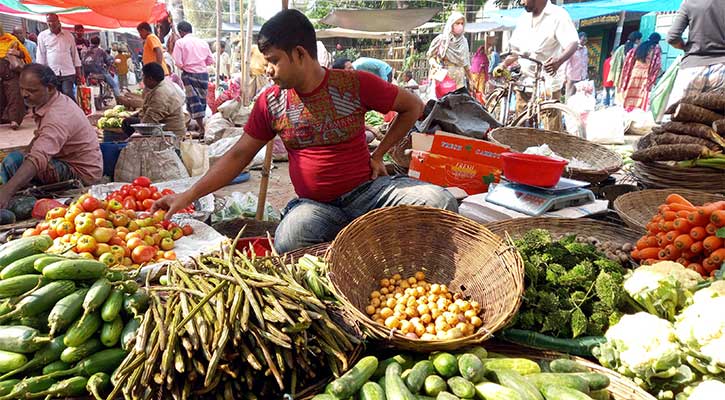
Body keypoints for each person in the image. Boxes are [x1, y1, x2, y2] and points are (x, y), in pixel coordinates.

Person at [151, 9, 457, 254]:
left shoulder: (354, 84)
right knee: (290, 237)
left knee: (439, 200)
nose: (268, 70)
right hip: (316, 208)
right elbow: (238, 155)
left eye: (273, 61)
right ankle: (355, 247)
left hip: (369, 195)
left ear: (299, 54)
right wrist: (188, 195)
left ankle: (380, 249)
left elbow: (413, 106)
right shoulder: (270, 102)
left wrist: (380, 153)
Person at [0, 64, 102, 208]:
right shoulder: (52, 101)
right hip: (66, 161)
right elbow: (38, 141)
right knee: (18, 161)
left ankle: (12, 199)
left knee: (14, 162)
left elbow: (38, 157)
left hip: (81, 174)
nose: (24, 94)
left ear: (50, 88)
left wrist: (7, 191)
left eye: (31, 90)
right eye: (22, 89)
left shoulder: (57, 115)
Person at [503, 0, 579, 132]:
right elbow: (516, 52)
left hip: (547, 84)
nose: (521, 2)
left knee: (551, 129)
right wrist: (503, 64)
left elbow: (572, 43)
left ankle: (551, 151)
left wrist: (559, 61)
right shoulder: (524, 18)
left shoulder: (558, 15)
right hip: (525, 81)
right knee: (520, 126)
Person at [666, 0, 725, 109]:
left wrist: (684, 47)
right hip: (722, 69)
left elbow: (672, 37)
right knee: (718, 120)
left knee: (676, 119)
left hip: (692, 67)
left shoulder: (690, 2)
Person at [121, 63, 186, 138]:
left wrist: (133, 136)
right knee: (131, 120)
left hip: (170, 131)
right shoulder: (162, 84)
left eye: (144, 77)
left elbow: (149, 121)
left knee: (127, 123)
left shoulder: (160, 94)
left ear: (150, 79)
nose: (143, 79)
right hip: (165, 124)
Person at [172, 21, 213, 135]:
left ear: (181, 32)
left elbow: (178, 63)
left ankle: (202, 128)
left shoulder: (180, 42)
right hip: (203, 75)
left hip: (189, 74)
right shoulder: (203, 42)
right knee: (200, 100)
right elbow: (210, 60)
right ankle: (197, 125)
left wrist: (188, 65)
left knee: (194, 101)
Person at [36, 14, 82, 101]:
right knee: (55, 97)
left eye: (53, 21)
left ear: (58, 22)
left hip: (68, 72)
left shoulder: (68, 35)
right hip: (52, 72)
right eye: (48, 22)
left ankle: (74, 113)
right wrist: (41, 73)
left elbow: (74, 54)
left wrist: (78, 72)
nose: (51, 24)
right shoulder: (42, 36)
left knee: (68, 93)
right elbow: (41, 56)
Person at [427, 12, 474, 95]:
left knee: (458, 104)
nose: (460, 26)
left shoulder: (463, 42)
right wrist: (436, 65)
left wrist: (471, 79)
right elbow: (431, 57)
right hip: (443, 78)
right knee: (442, 104)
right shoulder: (441, 40)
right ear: (451, 24)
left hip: (459, 80)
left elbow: (466, 64)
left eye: (462, 23)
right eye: (457, 23)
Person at [619, 33, 662, 111]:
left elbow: (631, 57)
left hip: (635, 71)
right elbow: (657, 64)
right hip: (645, 72)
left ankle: (629, 107)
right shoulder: (656, 48)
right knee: (641, 91)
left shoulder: (642, 45)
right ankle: (639, 108)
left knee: (632, 89)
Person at [1, 23, 32, 130]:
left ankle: (15, 120)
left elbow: (25, 54)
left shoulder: (11, 40)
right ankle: (4, 119)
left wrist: (17, 53)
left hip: (11, 73)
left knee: (15, 96)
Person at [565, 32, 588, 97]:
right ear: (578, 39)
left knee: (579, 96)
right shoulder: (572, 48)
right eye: (583, 40)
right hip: (572, 76)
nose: (584, 42)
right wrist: (564, 76)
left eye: (585, 40)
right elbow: (566, 62)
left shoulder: (585, 49)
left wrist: (586, 74)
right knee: (569, 95)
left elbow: (585, 62)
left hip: (582, 76)